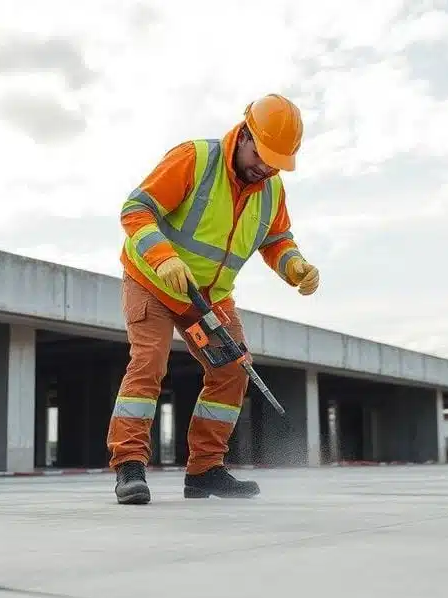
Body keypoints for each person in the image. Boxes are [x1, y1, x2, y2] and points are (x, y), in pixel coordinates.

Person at [106, 93, 321, 505]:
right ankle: (129, 465)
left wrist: (294, 265)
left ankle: (205, 470)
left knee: (232, 372)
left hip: (208, 296)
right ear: (243, 135)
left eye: (276, 161)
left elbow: (277, 239)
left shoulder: (271, 190)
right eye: (261, 154)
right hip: (151, 279)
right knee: (149, 362)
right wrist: (164, 257)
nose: (266, 166)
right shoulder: (196, 159)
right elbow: (136, 209)